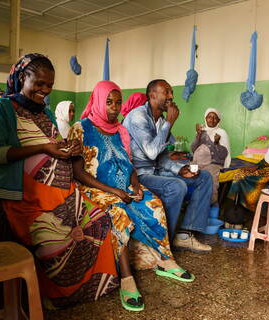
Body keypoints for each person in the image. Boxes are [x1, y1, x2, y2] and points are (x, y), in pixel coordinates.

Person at [0, 54, 119, 309]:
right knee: (53, 243)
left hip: (64, 196)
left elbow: (55, 145)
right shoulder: (0, 109)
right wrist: (43, 148)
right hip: (26, 199)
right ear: (23, 78)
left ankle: (89, 290)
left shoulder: (45, 113)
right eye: (40, 83)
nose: (44, 91)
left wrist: (70, 147)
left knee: (100, 221)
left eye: (49, 86)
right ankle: (53, 299)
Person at [68, 80, 194, 311]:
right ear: (97, 101)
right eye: (108, 102)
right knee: (116, 211)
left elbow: (130, 164)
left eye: (118, 103)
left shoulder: (120, 130)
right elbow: (77, 172)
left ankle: (164, 260)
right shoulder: (81, 128)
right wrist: (114, 191)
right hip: (95, 189)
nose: (114, 108)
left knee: (152, 202)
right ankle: (127, 278)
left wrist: (135, 186)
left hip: (124, 186)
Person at [123, 79, 213, 253]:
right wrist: (170, 123)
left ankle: (184, 236)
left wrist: (180, 169)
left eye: (171, 92)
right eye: (167, 92)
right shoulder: (137, 116)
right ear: (152, 95)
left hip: (157, 171)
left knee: (204, 177)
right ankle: (164, 243)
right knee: (176, 186)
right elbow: (151, 153)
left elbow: (162, 157)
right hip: (138, 175)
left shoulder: (160, 121)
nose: (171, 97)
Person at [191, 108, 231, 204]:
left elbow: (223, 155)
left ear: (219, 120)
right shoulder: (202, 131)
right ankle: (191, 200)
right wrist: (198, 136)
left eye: (215, 118)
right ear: (205, 118)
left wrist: (216, 143)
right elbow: (193, 149)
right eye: (209, 117)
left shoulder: (221, 133)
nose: (212, 120)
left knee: (210, 178)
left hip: (213, 163)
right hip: (198, 162)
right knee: (188, 173)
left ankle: (211, 203)